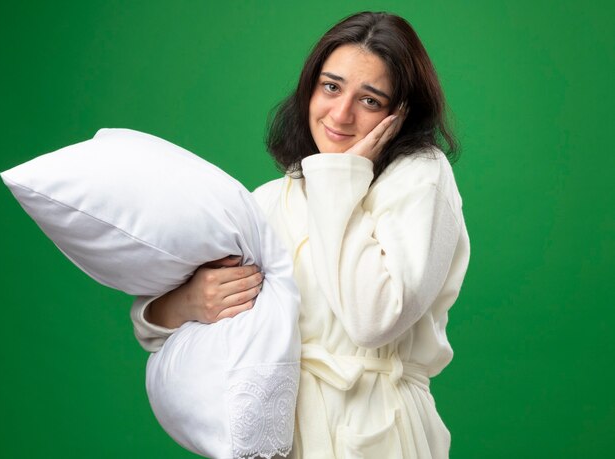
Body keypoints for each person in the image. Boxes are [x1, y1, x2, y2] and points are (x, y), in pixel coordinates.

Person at [131, 11, 469, 459]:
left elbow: (374, 320)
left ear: (399, 114)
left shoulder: (420, 178)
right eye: (331, 87)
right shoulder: (271, 199)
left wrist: (339, 178)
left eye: (370, 100)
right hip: (279, 436)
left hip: (377, 433)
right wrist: (189, 302)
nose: (341, 114)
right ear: (309, 87)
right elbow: (156, 336)